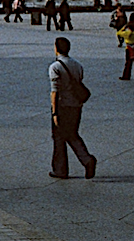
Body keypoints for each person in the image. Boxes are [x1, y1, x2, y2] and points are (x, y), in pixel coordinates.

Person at [48, 37, 96, 179]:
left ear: (56, 48)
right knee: (72, 134)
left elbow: (55, 91)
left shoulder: (55, 67)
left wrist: (54, 112)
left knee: (59, 137)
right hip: (76, 106)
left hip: (63, 107)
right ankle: (86, 159)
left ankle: (61, 169)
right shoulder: (77, 65)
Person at [119, 14, 134, 81]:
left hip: (129, 47)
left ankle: (126, 76)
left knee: (128, 63)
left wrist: (123, 28)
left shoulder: (127, 31)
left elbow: (119, 33)